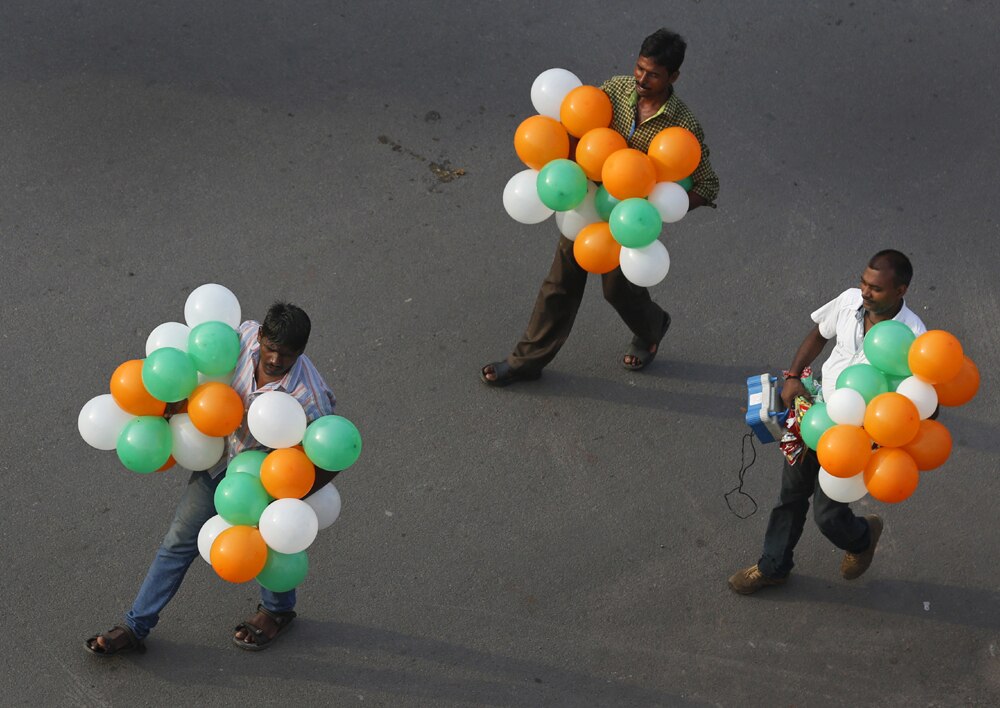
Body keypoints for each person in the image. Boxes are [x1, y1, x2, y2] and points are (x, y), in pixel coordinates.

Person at [86, 302, 338, 653]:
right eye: (271, 348)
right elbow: (203, 370)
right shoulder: (242, 335)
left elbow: (332, 455)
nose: (276, 360)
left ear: (302, 351)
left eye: (288, 354)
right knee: (178, 542)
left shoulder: (309, 397)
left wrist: (286, 494)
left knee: (274, 538)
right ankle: (134, 626)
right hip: (218, 458)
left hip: (263, 476)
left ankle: (277, 611)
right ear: (261, 336)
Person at [481, 27, 720, 387]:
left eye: (653, 74)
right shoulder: (615, 89)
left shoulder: (683, 124)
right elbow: (578, 125)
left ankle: (652, 328)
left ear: (674, 77)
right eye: (639, 68)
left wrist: (658, 210)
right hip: (585, 203)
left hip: (628, 220)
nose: (642, 79)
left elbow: (708, 185)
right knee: (559, 284)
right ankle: (524, 362)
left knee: (618, 291)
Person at [728, 250, 927, 594]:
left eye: (876, 288)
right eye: (863, 283)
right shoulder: (850, 302)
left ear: (901, 291)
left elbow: (921, 402)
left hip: (858, 436)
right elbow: (819, 334)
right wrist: (792, 376)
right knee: (790, 495)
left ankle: (862, 536)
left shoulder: (913, 337)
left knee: (828, 515)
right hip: (813, 414)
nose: (865, 292)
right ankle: (773, 566)